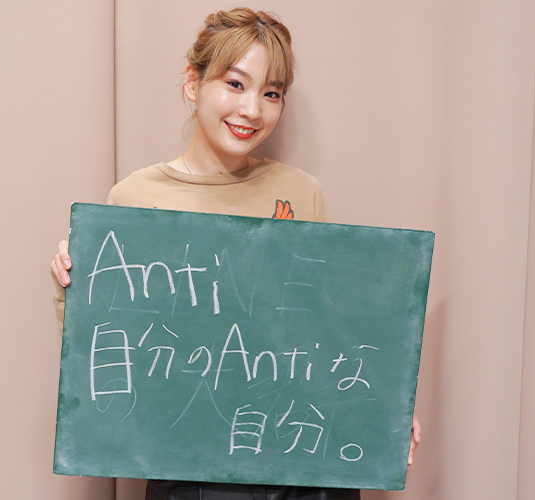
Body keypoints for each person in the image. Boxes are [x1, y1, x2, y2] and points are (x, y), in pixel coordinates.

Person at [50, 8, 421, 500]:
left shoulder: (300, 192)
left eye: (271, 93)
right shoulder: (136, 199)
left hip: (304, 461)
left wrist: (383, 405)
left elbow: (328, 331)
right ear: (193, 83)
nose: (252, 110)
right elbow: (111, 346)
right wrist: (73, 283)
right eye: (235, 84)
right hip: (193, 466)